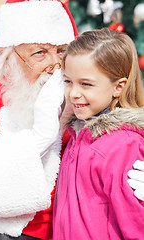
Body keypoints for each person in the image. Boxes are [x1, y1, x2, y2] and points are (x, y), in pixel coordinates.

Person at [0, 0, 78, 239]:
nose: (55, 66)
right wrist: (36, 143)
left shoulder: (79, 98)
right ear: (8, 57)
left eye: (62, 51)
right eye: (40, 53)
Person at [53, 28, 144, 240]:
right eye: (68, 81)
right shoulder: (77, 137)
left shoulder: (122, 146)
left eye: (86, 84)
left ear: (118, 87)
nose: (74, 93)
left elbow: (136, 226)